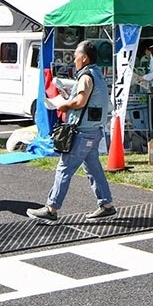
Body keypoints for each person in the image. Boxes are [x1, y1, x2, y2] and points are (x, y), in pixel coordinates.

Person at [27, 42, 115, 222]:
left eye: (76, 55)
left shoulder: (86, 76)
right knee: (93, 169)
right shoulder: (97, 74)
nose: (74, 59)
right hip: (94, 130)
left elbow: (81, 101)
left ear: (84, 57)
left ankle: (51, 208)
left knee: (64, 168)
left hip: (82, 132)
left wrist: (64, 104)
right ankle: (106, 205)